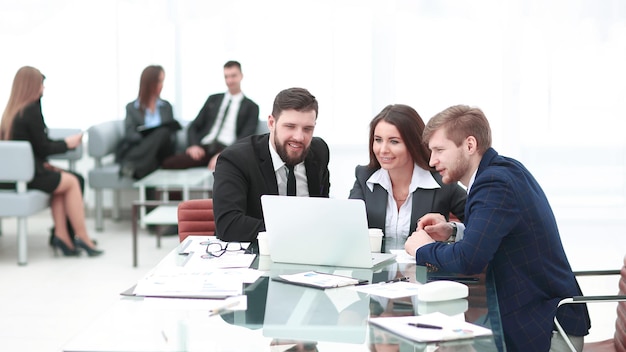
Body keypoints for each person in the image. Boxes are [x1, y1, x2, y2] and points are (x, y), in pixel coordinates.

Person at [404, 105, 590, 351]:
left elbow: (469, 260)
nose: (432, 160)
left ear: (470, 145)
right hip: (530, 318)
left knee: (440, 345)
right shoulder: (501, 171)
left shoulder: (494, 183)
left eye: (439, 150)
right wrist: (453, 230)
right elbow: (497, 233)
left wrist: (422, 249)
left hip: (543, 330)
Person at [0, 66, 103, 257]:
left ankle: (62, 236)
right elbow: (43, 147)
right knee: (72, 182)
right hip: (28, 176)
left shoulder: (11, 112)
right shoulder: (31, 110)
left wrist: (45, 163)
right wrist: (67, 143)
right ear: (33, 86)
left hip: (19, 174)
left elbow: (30, 148)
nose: (43, 90)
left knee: (63, 184)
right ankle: (82, 237)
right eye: (41, 85)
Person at [212, 87, 330, 242]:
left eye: (308, 129)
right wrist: (295, 231)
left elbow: (323, 208)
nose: (299, 137)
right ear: (271, 123)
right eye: (290, 126)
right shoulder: (236, 159)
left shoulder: (319, 150)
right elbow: (229, 225)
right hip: (257, 254)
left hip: (311, 252)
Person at [348, 104, 466, 246]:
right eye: (378, 140)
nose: (383, 149)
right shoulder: (365, 178)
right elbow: (348, 226)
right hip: (377, 267)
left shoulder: (442, 182)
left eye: (394, 141)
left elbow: (479, 222)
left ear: (413, 143)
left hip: (423, 266)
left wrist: (451, 230)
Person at [162, 60, 259, 171]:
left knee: (228, 168)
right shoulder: (213, 99)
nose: (229, 80)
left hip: (228, 149)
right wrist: (193, 145)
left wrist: (225, 154)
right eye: (226, 76)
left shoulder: (252, 107)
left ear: (241, 76)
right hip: (204, 148)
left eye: (233, 76)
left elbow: (246, 136)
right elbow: (194, 126)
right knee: (169, 163)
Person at [117, 65, 180, 179]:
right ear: (149, 83)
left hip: (162, 150)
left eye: (162, 81)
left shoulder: (166, 107)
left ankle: (131, 165)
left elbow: (171, 135)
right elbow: (130, 134)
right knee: (152, 156)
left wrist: (155, 135)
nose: (162, 85)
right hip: (143, 148)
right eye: (159, 81)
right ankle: (144, 169)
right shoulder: (132, 107)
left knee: (163, 132)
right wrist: (147, 136)